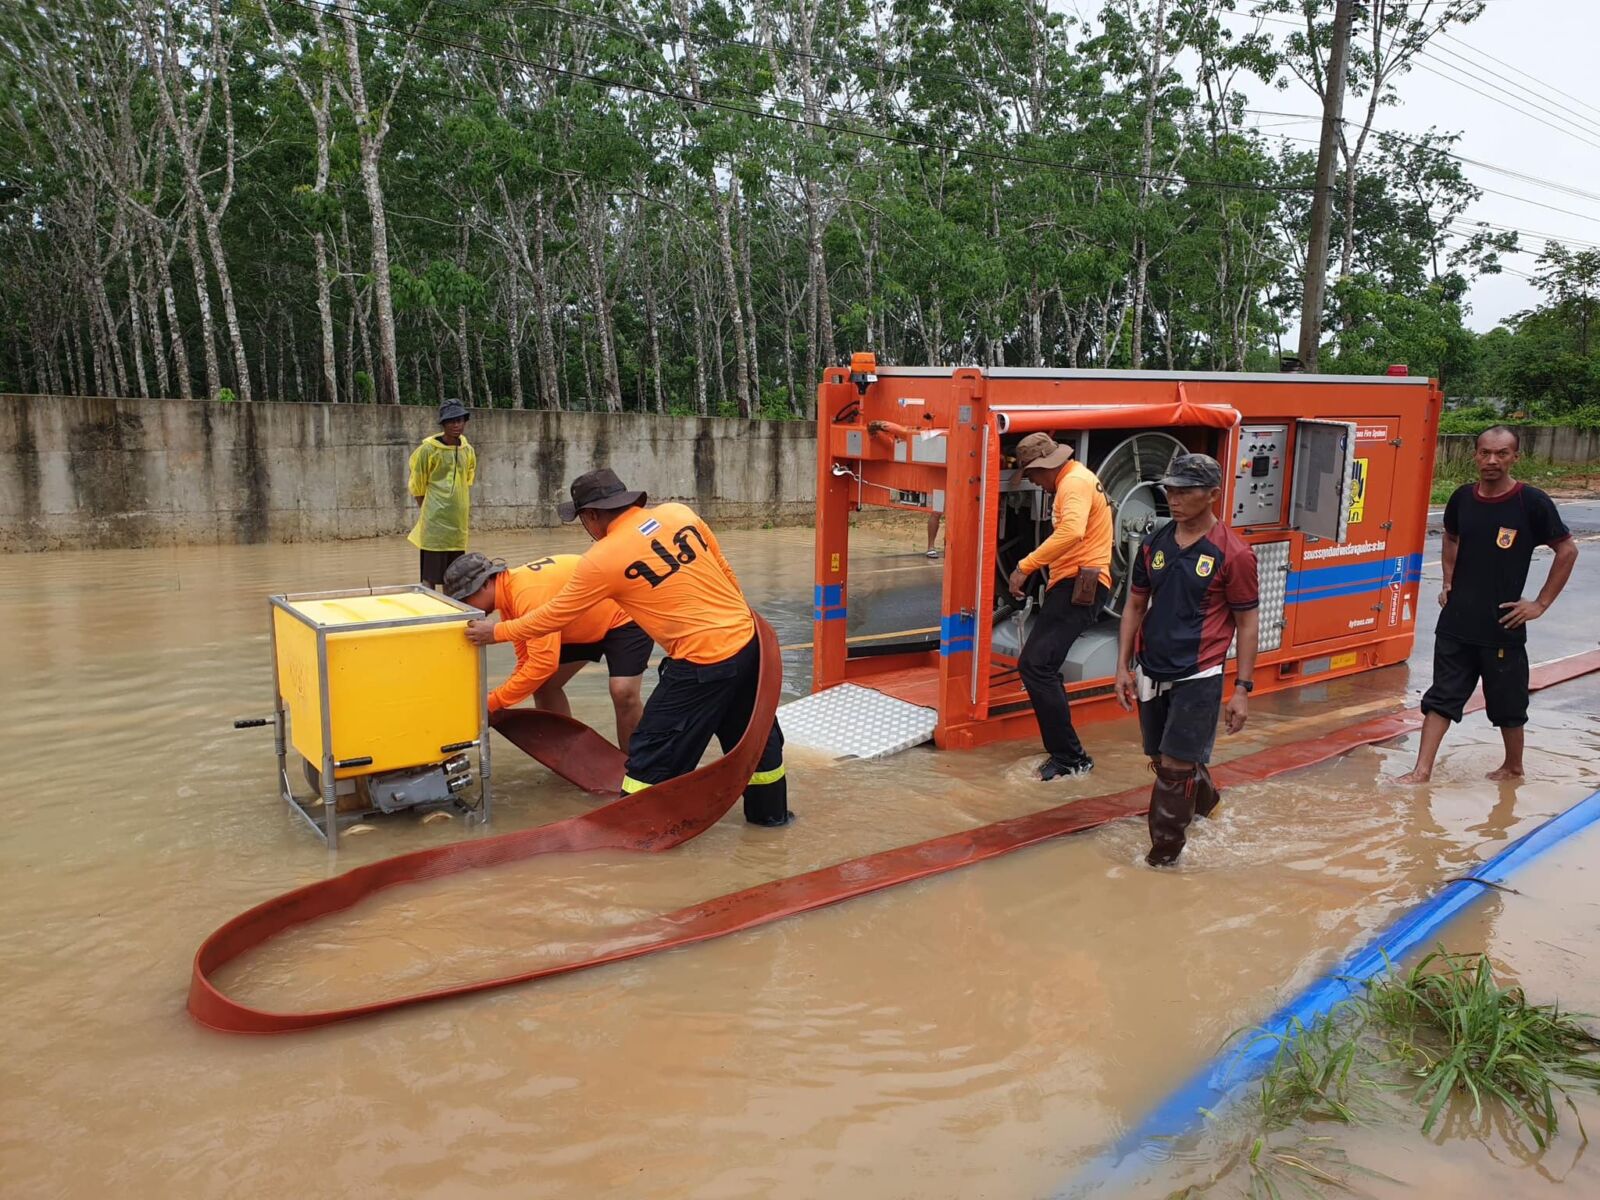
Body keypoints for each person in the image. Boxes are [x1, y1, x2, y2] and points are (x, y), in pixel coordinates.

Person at [466, 468, 790, 826]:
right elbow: (725, 570)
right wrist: (737, 624)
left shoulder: (603, 559)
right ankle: (770, 821)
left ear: (591, 516)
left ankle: (635, 841)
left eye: (583, 520)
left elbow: (552, 617)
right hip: (749, 641)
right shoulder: (678, 513)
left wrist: (493, 632)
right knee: (755, 741)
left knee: (650, 759)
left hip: (701, 661)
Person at [1398, 426, 1577, 783]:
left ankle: (1513, 767)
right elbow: (1451, 536)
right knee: (1441, 697)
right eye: (1485, 453)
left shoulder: (1531, 502)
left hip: (1503, 625)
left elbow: (1567, 550)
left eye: (1502, 453)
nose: (1492, 461)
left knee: (1508, 705)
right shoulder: (1462, 498)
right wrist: (1448, 580)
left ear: (1515, 457)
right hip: (1456, 622)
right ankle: (1421, 771)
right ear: (1475, 455)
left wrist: (1539, 604)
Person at [1113, 452, 1259, 867]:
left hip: (1200, 672)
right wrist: (1122, 666)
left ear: (1212, 495)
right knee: (1162, 760)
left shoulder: (1234, 554)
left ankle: (1161, 859)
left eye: (1185, 491)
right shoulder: (1155, 543)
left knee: (1175, 769)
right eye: (1170, 491)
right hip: (1150, 668)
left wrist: (1242, 690)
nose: (1174, 499)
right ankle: (1209, 806)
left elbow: (1247, 624)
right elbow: (1135, 605)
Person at [443, 551, 651, 749]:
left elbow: (543, 664)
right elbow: (527, 661)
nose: (467, 610)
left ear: (486, 583)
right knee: (544, 686)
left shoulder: (526, 594)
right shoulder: (509, 600)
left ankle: (637, 767)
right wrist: (492, 702)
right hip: (584, 623)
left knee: (623, 692)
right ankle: (567, 754)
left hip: (625, 614)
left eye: (465, 600)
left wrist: (492, 703)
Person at [1006, 432, 1114, 780]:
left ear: (1044, 467)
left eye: (1034, 476)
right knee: (1043, 667)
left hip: (1080, 584)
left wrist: (1025, 566)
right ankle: (1067, 751)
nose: (1036, 483)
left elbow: (1071, 532)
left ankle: (1070, 758)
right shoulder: (1077, 478)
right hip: (1075, 582)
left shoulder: (1074, 484)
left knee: (1035, 667)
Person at [408, 399, 476, 589]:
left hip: (457, 523)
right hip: (435, 522)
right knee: (429, 576)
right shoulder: (427, 450)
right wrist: (427, 511)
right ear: (443, 424)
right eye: (451, 421)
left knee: (455, 576)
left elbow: (467, 479)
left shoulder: (468, 450)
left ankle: (452, 611)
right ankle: (430, 611)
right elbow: (417, 484)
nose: (456, 425)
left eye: (460, 420)